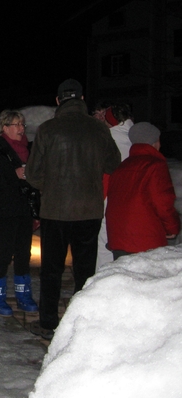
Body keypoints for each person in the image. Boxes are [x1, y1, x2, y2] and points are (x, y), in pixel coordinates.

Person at [25, 78, 121, 340]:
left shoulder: (47, 130)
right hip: (89, 209)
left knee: (52, 269)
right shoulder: (99, 129)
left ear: (58, 101)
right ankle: (83, 324)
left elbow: (33, 174)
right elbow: (114, 164)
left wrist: (52, 185)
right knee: (85, 270)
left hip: (55, 210)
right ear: (81, 99)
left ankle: (48, 323)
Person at [0, 110, 39, 316]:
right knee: (4, 253)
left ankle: (23, 295)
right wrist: (12, 175)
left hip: (25, 210)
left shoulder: (31, 151)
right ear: (4, 128)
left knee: (24, 253)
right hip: (4, 211)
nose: (21, 129)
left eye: (23, 124)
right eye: (16, 124)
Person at [106, 122, 180, 258]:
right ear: (155, 142)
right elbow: (163, 203)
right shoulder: (155, 166)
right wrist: (172, 227)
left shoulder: (122, 167)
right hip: (145, 239)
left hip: (118, 238)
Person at [96, 103, 134, 270]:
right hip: (129, 198)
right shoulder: (134, 137)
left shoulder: (108, 139)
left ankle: (101, 280)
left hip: (108, 196)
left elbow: (104, 172)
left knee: (104, 240)